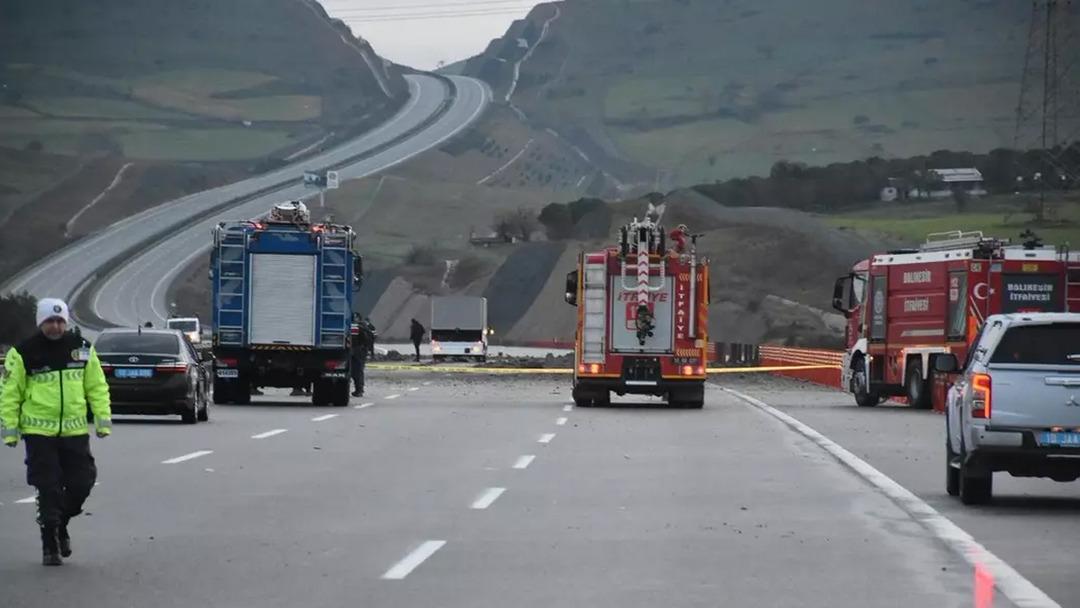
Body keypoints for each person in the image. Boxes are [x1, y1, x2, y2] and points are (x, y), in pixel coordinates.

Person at [1, 298, 111, 566]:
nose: (56, 326)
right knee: (48, 487)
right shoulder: (23, 352)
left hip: (75, 432)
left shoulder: (81, 348)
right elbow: (10, 393)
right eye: (50, 321)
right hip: (39, 433)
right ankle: (50, 543)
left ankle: (60, 524)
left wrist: (102, 420)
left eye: (60, 321)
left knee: (82, 484)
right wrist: (10, 430)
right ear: (41, 322)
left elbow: (96, 386)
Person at [350, 317, 373, 397]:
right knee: (358, 371)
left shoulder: (355, 327)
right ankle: (359, 389)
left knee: (356, 371)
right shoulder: (363, 327)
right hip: (360, 351)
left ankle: (359, 390)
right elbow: (370, 339)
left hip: (356, 350)